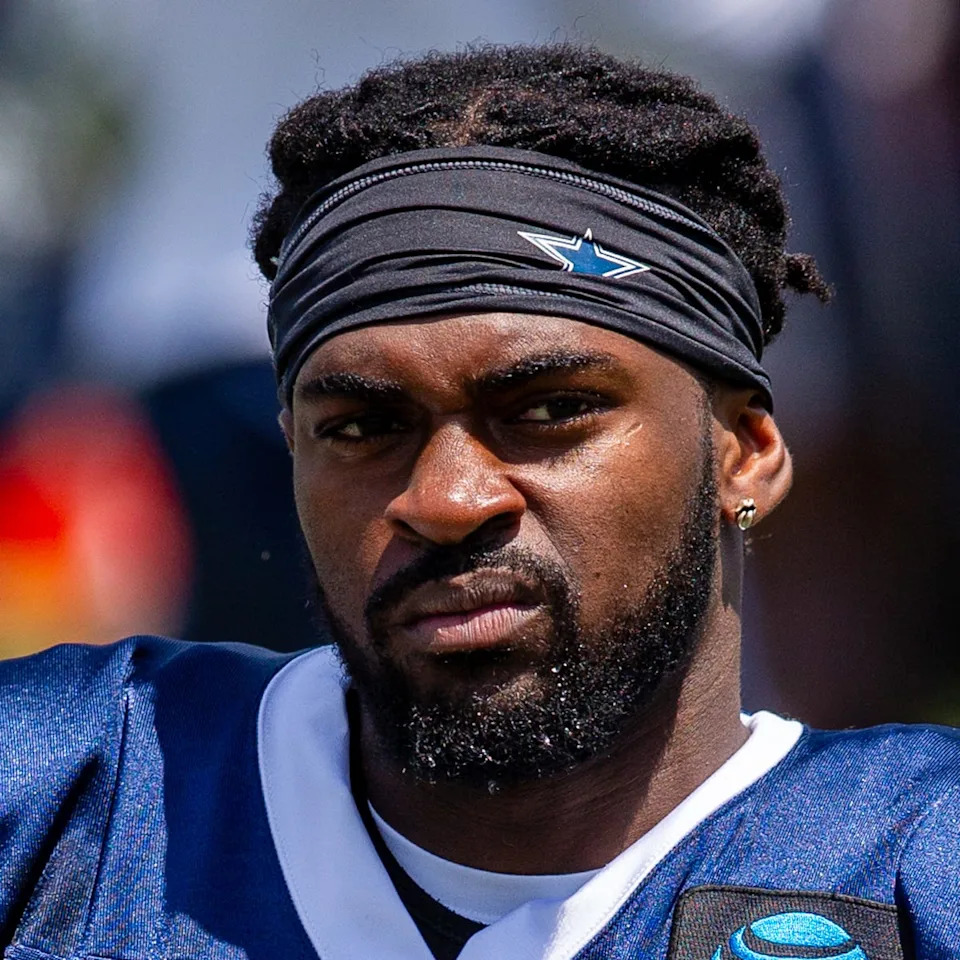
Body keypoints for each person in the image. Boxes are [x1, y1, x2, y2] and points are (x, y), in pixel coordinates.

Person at [1, 45, 956, 960]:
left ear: (745, 455)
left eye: (548, 410)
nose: (448, 500)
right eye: (363, 428)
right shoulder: (68, 792)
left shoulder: (917, 863)